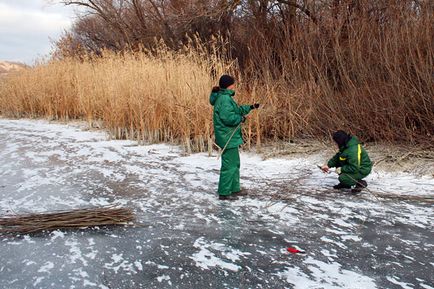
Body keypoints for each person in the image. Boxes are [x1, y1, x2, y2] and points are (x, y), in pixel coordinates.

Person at [209, 75, 260, 201]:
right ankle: (224, 192)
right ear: (229, 85)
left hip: (229, 136)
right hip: (227, 137)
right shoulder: (224, 99)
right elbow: (228, 118)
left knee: (235, 163)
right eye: (233, 83)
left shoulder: (225, 97)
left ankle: (234, 189)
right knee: (229, 165)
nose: (234, 85)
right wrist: (240, 119)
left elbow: (236, 110)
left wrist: (251, 107)